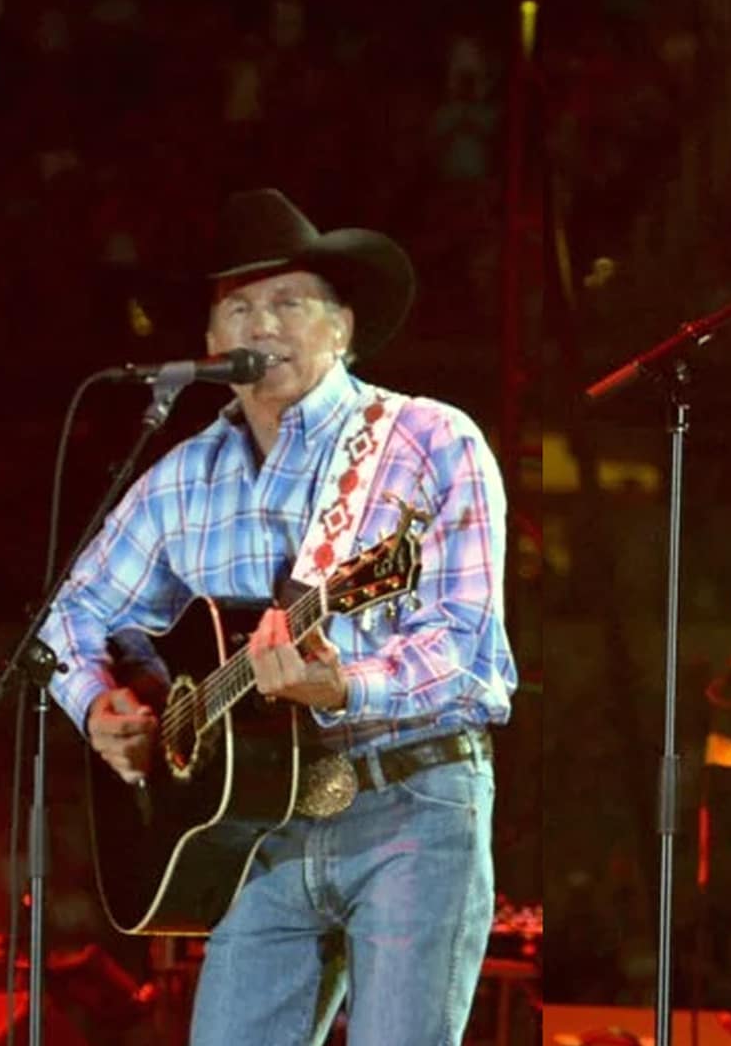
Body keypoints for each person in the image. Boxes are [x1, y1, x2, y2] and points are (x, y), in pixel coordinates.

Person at [38, 188, 516, 1045]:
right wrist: (98, 704)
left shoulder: (428, 441)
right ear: (211, 342)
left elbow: (468, 651)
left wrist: (342, 684)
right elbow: (68, 615)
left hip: (411, 803)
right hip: (258, 831)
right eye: (240, 307)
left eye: (289, 302)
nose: (263, 325)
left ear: (343, 326)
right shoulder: (182, 476)